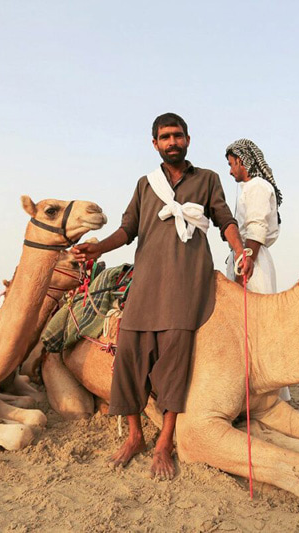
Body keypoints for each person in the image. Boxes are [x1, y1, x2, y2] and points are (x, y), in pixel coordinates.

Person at [72, 113, 251, 479]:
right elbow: (127, 229)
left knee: (173, 365)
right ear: (154, 143)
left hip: (187, 285)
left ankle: (164, 443)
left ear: (188, 139)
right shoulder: (145, 185)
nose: (172, 142)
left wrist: (241, 249)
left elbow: (224, 220)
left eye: (178, 135)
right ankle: (135, 435)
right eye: (165, 137)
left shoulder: (208, 180)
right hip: (147, 282)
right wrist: (98, 249)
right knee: (129, 358)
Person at [222, 138, 291, 401]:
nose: (230, 171)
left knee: (258, 327)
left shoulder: (258, 187)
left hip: (253, 261)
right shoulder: (249, 188)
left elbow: (256, 227)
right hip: (245, 258)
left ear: (242, 161)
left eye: (231, 164)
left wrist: (245, 262)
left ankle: (269, 395)